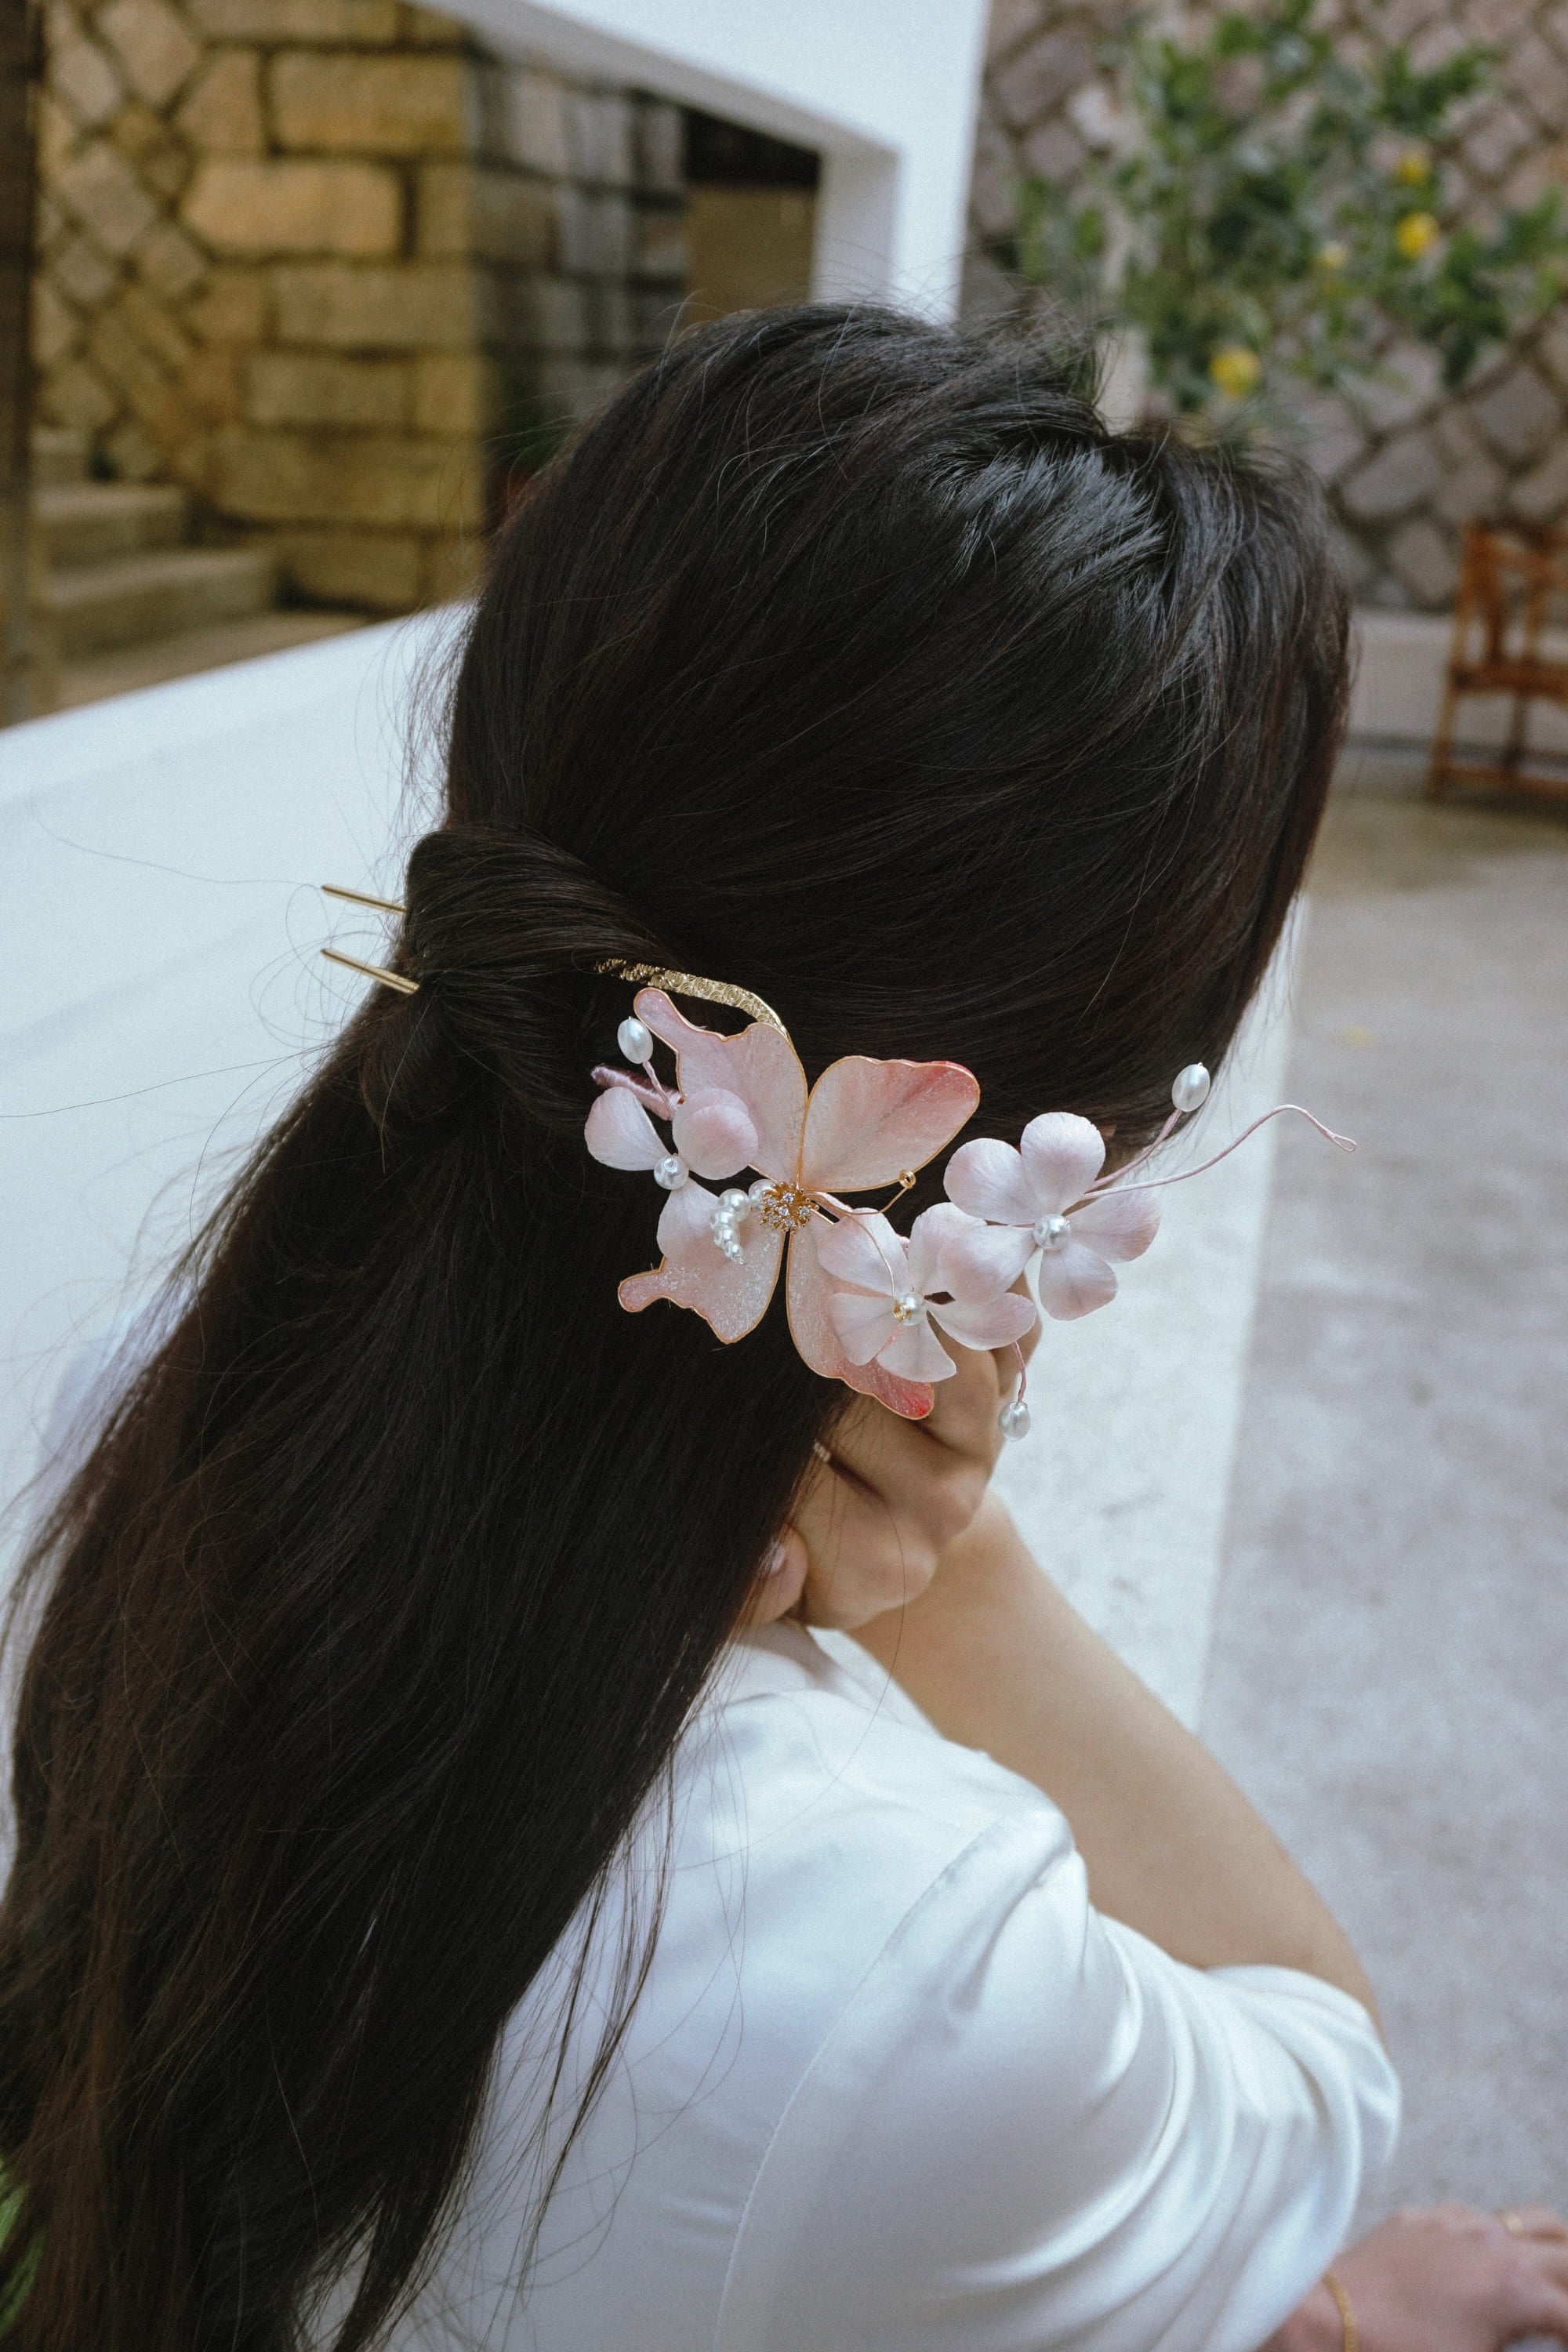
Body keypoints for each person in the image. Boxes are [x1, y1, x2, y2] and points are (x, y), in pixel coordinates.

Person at [0, 307, 1563, 2352]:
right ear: (1021, 1148)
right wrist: (950, 1582)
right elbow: (1318, 2077)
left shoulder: (151, 1393)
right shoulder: (903, 1971)